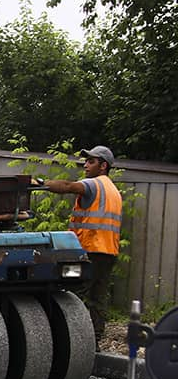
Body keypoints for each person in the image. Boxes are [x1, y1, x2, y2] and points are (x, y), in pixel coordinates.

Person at [41, 145, 122, 349]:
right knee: (97, 298)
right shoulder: (112, 189)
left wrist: (41, 184)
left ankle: (71, 343)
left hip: (91, 249)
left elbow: (69, 186)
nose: (85, 165)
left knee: (75, 296)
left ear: (103, 166)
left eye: (91, 161)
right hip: (108, 251)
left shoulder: (94, 185)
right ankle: (93, 342)